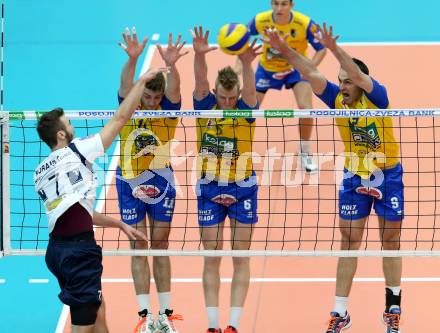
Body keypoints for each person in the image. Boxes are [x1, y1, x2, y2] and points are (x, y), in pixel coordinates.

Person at [264, 24, 403, 333]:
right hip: (355, 177)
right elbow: (311, 74)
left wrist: (336, 50)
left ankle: (393, 309)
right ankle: (340, 312)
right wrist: (285, 50)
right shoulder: (338, 102)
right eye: (339, 81)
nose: (341, 86)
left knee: (391, 241)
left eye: (347, 81)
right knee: (349, 241)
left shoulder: (377, 98)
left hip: (387, 175)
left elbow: (358, 74)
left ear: (360, 83)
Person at [34, 68, 163, 333]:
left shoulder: (41, 171)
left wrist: (120, 225)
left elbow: (79, 211)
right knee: (84, 326)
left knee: (98, 309)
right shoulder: (77, 150)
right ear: (60, 134)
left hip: (57, 252)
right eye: (68, 123)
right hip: (78, 253)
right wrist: (141, 81)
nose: (72, 126)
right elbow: (120, 119)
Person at [116, 27, 187, 333]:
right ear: (141, 93)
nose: (154, 100)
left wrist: (172, 66)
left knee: (160, 244)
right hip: (129, 182)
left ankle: (166, 315)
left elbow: (174, 91)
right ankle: (144, 316)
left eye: (157, 96)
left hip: (161, 183)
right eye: (148, 95)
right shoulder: (129, 107)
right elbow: (124, 86)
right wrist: (133, 60)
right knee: (137, 246)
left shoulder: (168, 110)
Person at [191, 26, 261, 333]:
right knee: (211, 257)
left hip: (243, 188)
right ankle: (212, 325)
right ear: (216, 94)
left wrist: (246, 63)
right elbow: (200, 81)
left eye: (232, 97)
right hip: (209, 188)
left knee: (240, 257)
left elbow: (248, 92)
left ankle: (233, 325)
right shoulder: (205, 107)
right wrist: (198, 55)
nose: (229, 102)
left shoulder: (245, 110)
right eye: (224, 97)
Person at [247, 0, 326, 172]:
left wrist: (310, 69)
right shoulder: (260, 20)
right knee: (247, 109)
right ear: (271, 4)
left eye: (283, 4)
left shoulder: (304, 23)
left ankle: (305, 151)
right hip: (267, 70)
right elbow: (242, 36)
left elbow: (322, 49)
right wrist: (242, 59)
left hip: (296, 69)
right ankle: (241, 150)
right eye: (275, 4)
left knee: (306, 109)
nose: (279, 8)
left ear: (292, 5)